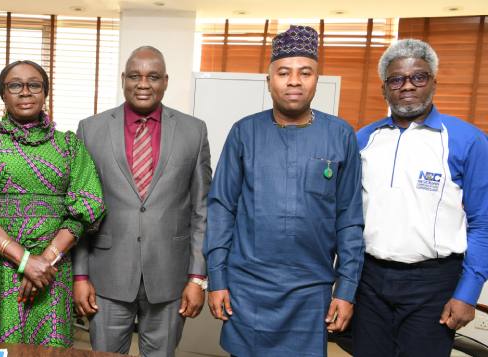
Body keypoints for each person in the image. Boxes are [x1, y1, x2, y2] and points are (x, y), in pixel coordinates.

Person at [204, 25, 364, 357]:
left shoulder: (341, 135)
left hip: (311, 290)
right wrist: (217, 278)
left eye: (305, 73)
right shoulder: (244, 132)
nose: (294, 81)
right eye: (284, 72)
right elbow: (221, 209)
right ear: (269, 80)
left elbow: (349, 220)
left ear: (316, 79)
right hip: (248, 287)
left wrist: (345, 289)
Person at [0, 60, 104, 347]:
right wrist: (25, 260)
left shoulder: (69, 145)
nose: (25, 92)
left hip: (51, 272)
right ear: (3, 94)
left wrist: (43, 261)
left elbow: (87, 206)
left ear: (45, 93)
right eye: (15, 85)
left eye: (34, 85)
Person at [73, 46, 211, 357]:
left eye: (153, 77)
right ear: (123, 79)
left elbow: (202, 210)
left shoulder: (194, 131)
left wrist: (197, 278)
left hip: (170, 276)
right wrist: (80, 275)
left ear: (165, 81)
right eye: (135, 76)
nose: (143, 84)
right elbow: (80, 210)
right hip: (107, 275)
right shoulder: (90, 129)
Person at [353, 39, 488, 357]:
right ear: (385, 88)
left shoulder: (468, 141)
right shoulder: (363, 139)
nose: (407, 86)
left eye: (419, 77)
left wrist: (468, 293)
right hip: (369, 280)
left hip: (434, 284)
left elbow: (483, 222)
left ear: (434, 82)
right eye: (396, 79)